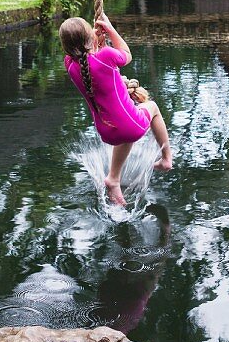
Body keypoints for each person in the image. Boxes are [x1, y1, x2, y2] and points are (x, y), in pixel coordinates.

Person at [60, 15, 172, 206]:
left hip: (106, 131)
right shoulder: (105, 56)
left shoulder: (70, 66)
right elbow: (126, 54)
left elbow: (83, 57)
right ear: (89, 38)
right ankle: (166, 159)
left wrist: (91, 39)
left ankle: (113, 178)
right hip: (130, 125)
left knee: (124, 133)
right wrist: (110, 29)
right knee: (152, 108)